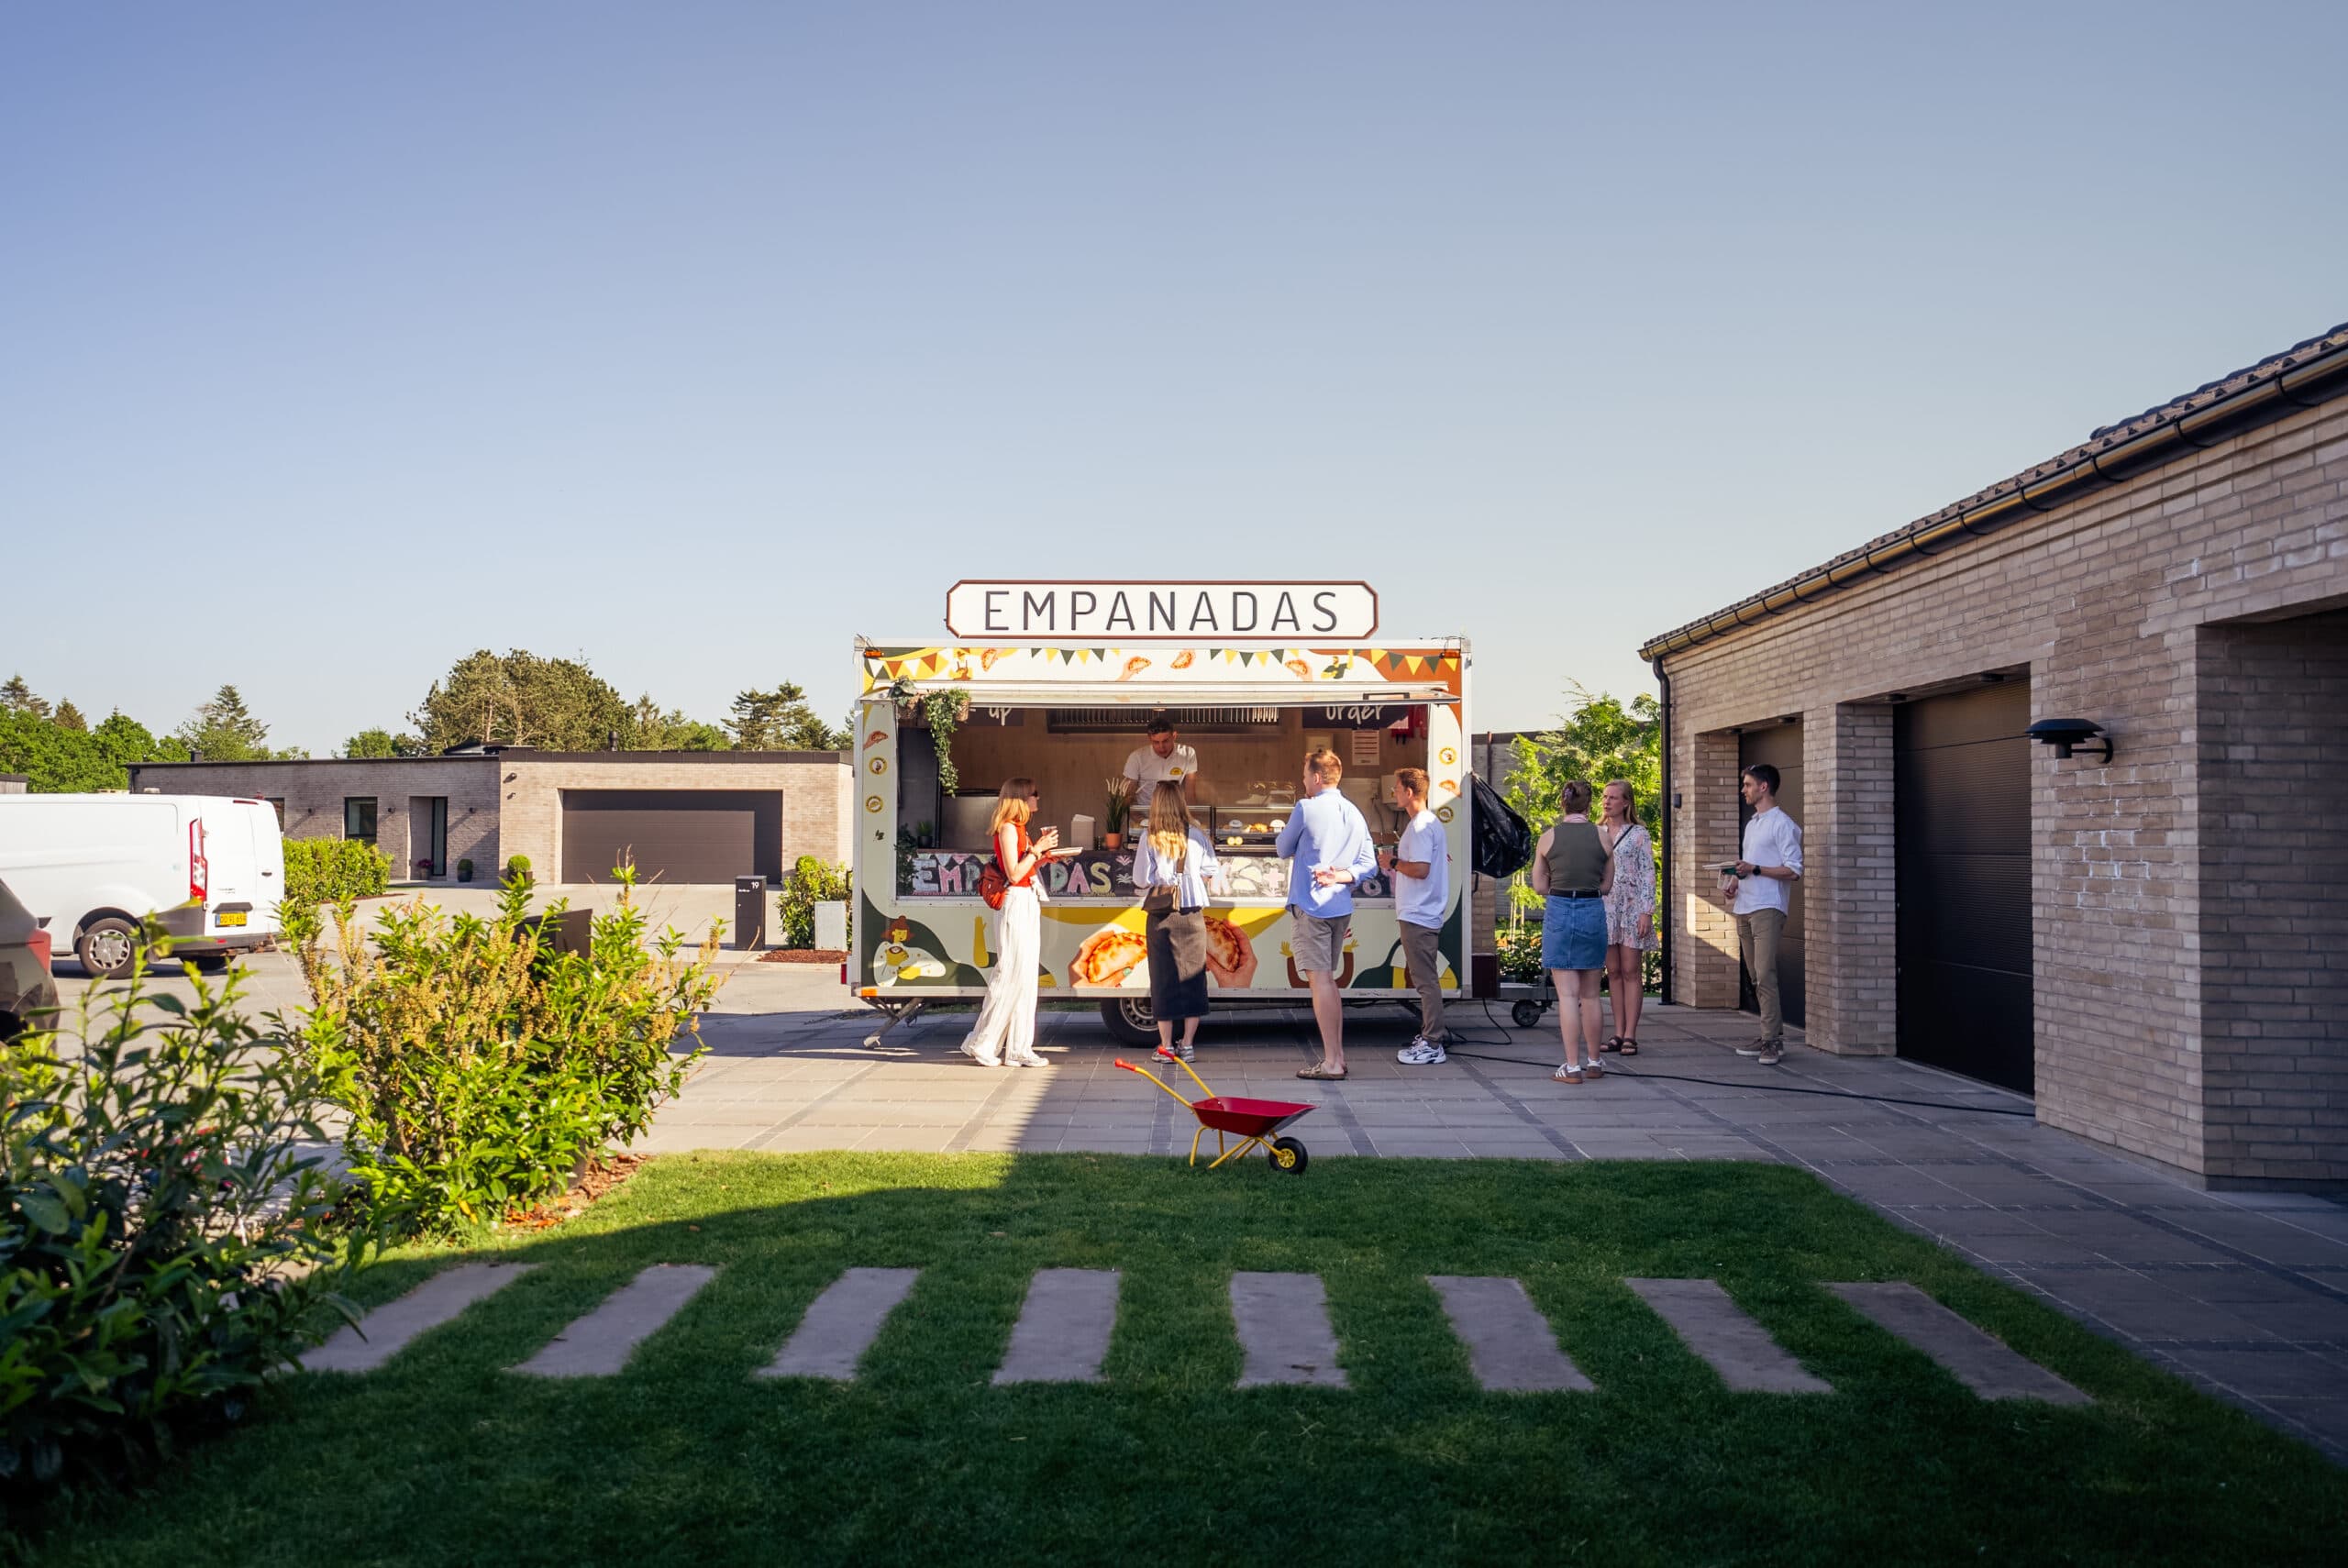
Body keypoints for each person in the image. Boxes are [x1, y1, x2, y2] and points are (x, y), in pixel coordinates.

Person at [1278, 748, 1378, 1080]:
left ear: (1317, 778)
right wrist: (1341, 876)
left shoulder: (1305, 808)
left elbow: (1281, 848)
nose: (1303, 780)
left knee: (1319, 982)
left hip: (1312, 906)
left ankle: (1332, 1062)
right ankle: (1337, 1056)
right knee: (1330, 982)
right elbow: (1369, 865)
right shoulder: (1353, 811)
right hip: (1340, 906)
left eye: (1305, 775)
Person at [960, 777, 1062, 1069]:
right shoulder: (1008, 828)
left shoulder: (1019, 830)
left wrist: (1042, 857)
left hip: (1026, 900)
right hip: (1016, 901)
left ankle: (1018, 1047)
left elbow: (1022, 869)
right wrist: (1036, 850)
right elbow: (1014, 874)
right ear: (1021, 798)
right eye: (1034, 794)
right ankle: (983, 1042)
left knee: (1026, 976)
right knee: (1010, 972)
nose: (1037, 800)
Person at [1130, 781, 1228, 1062]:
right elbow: (1211, 869)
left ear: (1156, 804)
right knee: (1193, 978)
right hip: (1193, 912)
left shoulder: (1149, 836)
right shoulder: (1196, 834)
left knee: (1164, 979)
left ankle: (1166, 1046)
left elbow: (1141, 879)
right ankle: (1187, 1044)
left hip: (1162, 915)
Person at [1531, 779, 1614, 1085]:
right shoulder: (1603, 837)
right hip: (1593, 910)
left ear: (1562, 803)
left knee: (1567, 995)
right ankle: (1595, 1061)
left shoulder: (1548, 838)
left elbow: (1539, 886)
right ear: (1589, 805)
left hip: (1561, 909)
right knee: (1591, 995)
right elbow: (1606, 885)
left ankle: (1572, 1066)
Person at [1720, 762, 1803, 1067]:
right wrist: (1732, 883)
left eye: (1747, 784)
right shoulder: (1753, 823)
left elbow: (1794, 870)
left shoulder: (1782, 824)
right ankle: (1770, 1034)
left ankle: (1773, 1041)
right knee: (1756, 976)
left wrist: (1755, 869)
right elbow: (1750, 867)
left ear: (1763, 787)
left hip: (1768, 907)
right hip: (1744, 904)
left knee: (1765, 973)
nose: (1744, 790)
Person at [1384, 767, 1451, 1066]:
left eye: (1397, 788)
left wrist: (1393, 861)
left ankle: (1433, 1042)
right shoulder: (1423, 823)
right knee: (1423, 979)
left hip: (1420, 912)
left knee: (1425, 982)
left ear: (1409, 792)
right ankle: (1429, 1036)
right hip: (1420, 911)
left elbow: (1421, 869)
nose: (1394, 794)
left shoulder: (1422, 825)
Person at [1598, 779, 1657, 1057]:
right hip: (1606, 908)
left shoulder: (1638, 834)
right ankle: (1617, 1032)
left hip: (1633, 908)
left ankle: (1631, 1034)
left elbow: (1648, 873)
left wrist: (1647, 911)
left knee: (1632, 970)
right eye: (1605, 797)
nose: (1607, 802)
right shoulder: (1596, 833)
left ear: (1626, 802)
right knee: (1614, 972)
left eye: (1613, 797)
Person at [1122, 712, 1201, 807]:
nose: (1161, 747)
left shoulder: (1188, 753)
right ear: (1149, 739)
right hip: (1145, 816)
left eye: (1165, 741)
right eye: (1156, 742)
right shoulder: (1137, 757)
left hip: (1175, 817)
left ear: (1174, 736)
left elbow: (1190, 795)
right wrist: (1142, 821)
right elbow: (1127, 797)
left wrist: (1191, 821)